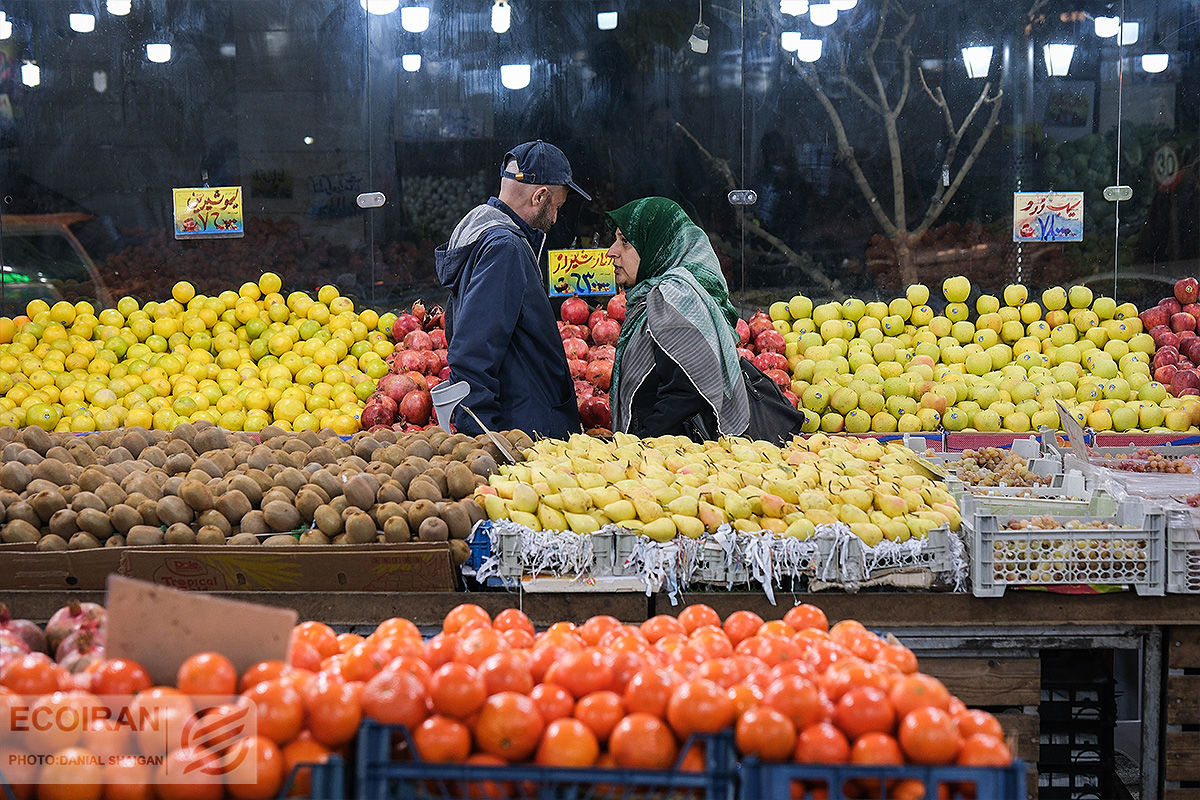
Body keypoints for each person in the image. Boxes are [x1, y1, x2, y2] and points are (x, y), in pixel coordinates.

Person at [435, 140, 590, 439]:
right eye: (557, 206)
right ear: (540, 196)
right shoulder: (505, 248)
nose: (556, 218)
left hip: (519, 421)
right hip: (522, 430)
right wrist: (482, 437)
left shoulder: (487, 236)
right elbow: (474, 351)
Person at [605, 196, 750, 440]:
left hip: (672, 459)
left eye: (625, 242)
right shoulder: (652, 297)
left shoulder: (674, 298)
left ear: (659, 246)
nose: (612, 251)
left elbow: (686, 393)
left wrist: (643, 444)